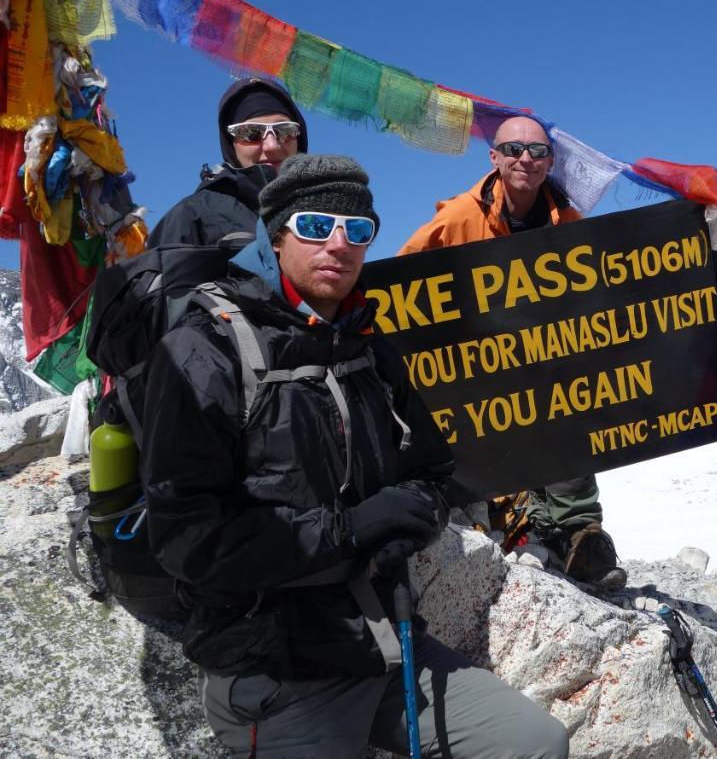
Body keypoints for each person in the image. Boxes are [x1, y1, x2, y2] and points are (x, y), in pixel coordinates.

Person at [141, 154, 569, 757]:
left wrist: (409, 517)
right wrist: (353, 530)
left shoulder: (365, 343)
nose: (338, 245)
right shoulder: (202, 352)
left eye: (357, 230)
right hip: (277, 670)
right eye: (316, 226)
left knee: (534, 743)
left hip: (386, 647)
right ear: (279, 234)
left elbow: (433, 469)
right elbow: (188, 539)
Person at [397, 115, 627, 590]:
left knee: (574, 403)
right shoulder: (459, 217)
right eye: (514, 149)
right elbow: (401, 282)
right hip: (476, 364)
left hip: (546, 356)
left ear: (550, 162)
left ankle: (581, 534)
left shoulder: (568, 222)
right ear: (494, 157)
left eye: (538, 151)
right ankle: (496, 525)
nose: (526, 159)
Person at [148, 77, 308, 247]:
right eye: (251, 133)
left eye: (285, 130)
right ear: (230, 144)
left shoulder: (329, 206)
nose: (272, 146)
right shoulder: (192, 217)